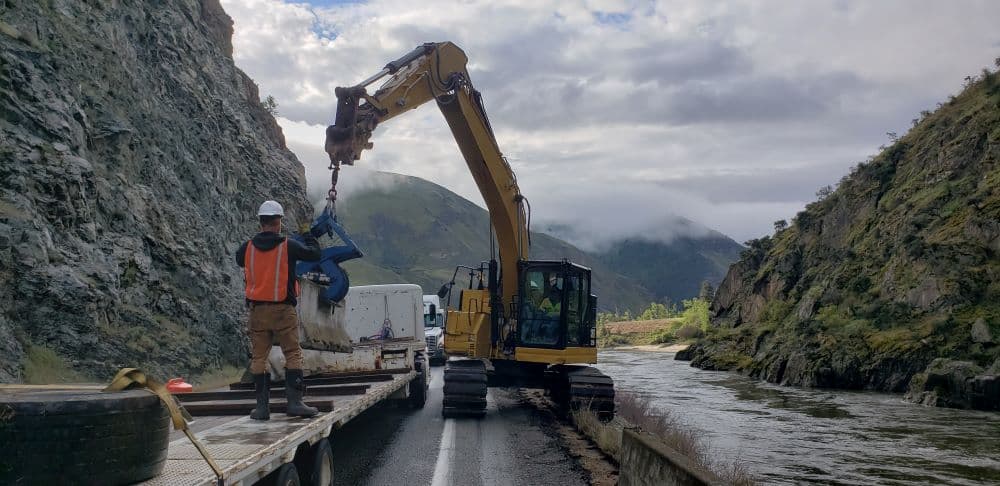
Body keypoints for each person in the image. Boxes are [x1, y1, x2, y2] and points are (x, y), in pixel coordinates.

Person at [235, 200, 321, 420]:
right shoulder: (288, 245)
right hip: (283, 309)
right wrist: (307, 232)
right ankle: (294, 403)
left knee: (259, 358)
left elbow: (238, 260)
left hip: (258, 311)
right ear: (278, 222)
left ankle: (262, 408)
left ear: (261, 222)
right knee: (292, 353)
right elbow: (314, 254)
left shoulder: (247, 248)